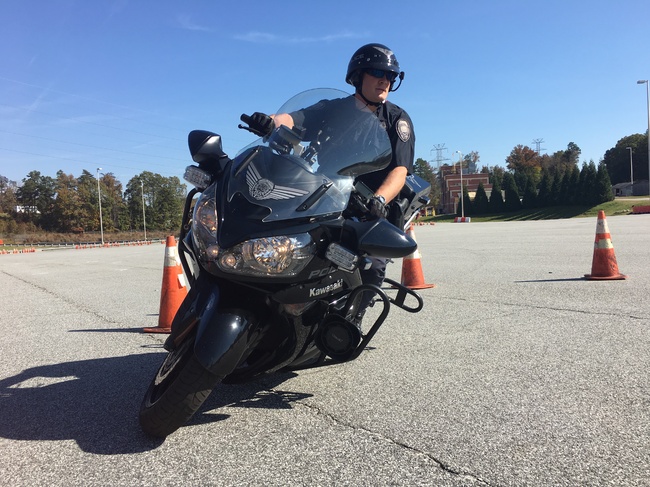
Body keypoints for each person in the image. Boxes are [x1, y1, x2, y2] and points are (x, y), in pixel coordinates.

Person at [273, 43, 416, 322]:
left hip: (369, 205)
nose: (385, 80)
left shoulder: (397, 119)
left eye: (391, 75)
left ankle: (352, 319)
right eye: (378, 73)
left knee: (371, 263)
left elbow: (400, 170)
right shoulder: (333, 109)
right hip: (325, 195)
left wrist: (379, 199)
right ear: (358, 76)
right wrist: (269, 121)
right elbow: (292, 118)